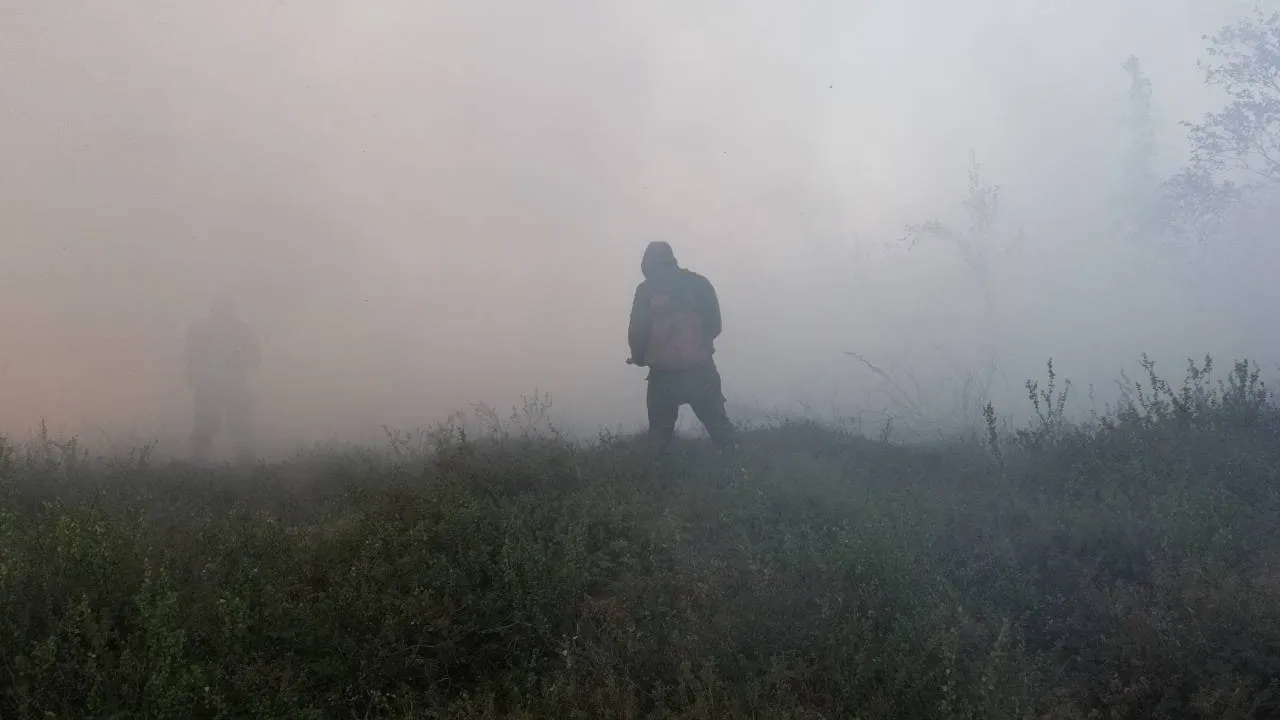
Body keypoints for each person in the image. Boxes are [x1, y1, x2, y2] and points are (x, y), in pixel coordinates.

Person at [627, 241, 736, 455]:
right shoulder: (700, 283)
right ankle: (742, 470)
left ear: (648, 264)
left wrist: (640, 358)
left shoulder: (647, 290)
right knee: (720, 428)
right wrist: (697, 347)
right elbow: (715, 326)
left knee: (659, 436)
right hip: (701, 370)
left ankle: (658, 478)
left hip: (663, 375)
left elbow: (637, 331)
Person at [184, 294, 261, 461]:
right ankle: (242, 467)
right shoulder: (240, 330)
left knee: (234, 426)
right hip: (217, 386)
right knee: (210, 426)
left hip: (221, 385)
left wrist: (191, 375)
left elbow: (255, 357)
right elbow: (190, 356)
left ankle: (241, 466)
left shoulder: (203, 330)